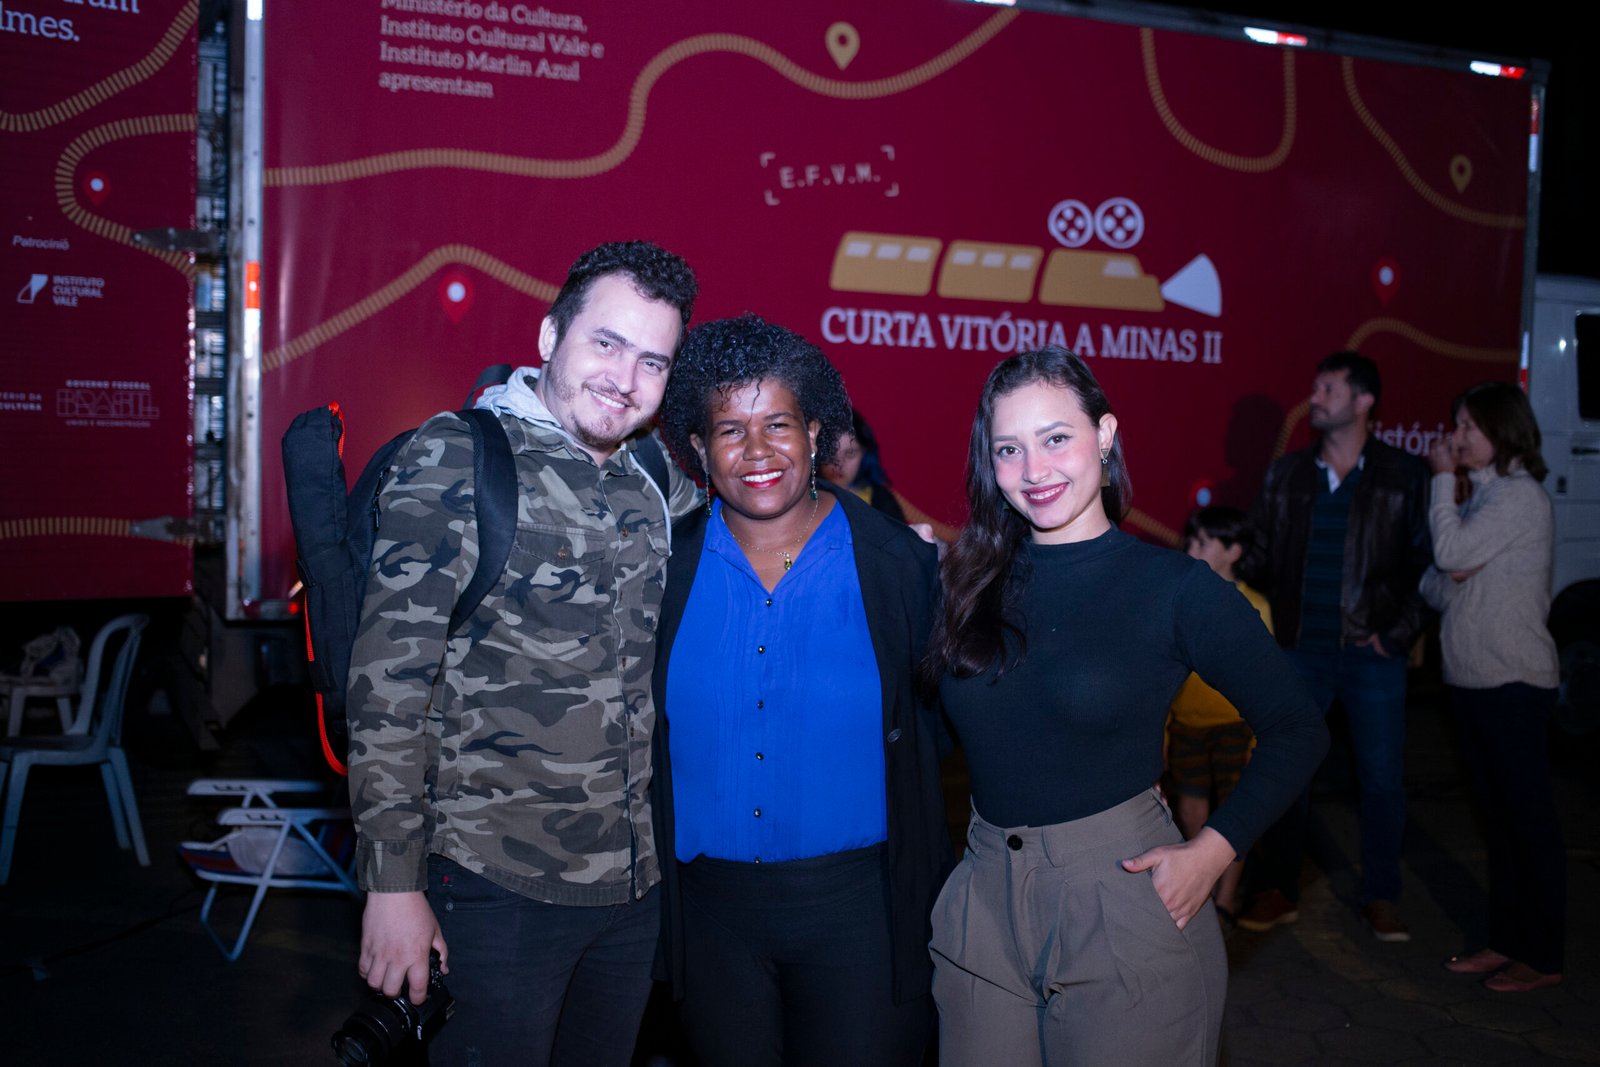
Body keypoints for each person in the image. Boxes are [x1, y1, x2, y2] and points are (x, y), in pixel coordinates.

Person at [346, 240, 701, 1067]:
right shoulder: (458, 455)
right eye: (606, 343)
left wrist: (891, 543)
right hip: (493, 885)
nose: (625, 377)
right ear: (549, 337)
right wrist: (392, 885)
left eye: (652, 361)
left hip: (632, 892)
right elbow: (388, 686)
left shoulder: (652, 473)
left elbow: (757, 524)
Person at [921, 347, 1326, 1066]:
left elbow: (1298, 727)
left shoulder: (1174, 588)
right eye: (1008, 449)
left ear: (1104, 435)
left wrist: (1213, 851)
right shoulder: (967, 581)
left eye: (1056, 438)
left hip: (1123, 898)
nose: (1034, 469)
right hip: (983, 897)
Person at [650, 314, 950, 1067]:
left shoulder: (897, 567)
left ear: (816, 433)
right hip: (709, 922)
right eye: (730, 430)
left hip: (861, 918)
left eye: (778, 424)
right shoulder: (660, 572)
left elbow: (948, 728)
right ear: (698, 448)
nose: (757, 451)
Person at [1237, 351, 1431, 942]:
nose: (1315, 398)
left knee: (1381, 779)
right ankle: (1277, 887)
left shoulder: (1404, 474)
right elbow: (1259, 555)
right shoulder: (1288, 474)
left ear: (1364, 401)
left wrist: (1395, 634)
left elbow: (1426, 563)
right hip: (1299, 651)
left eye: (1328, 389)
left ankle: (1381, 895)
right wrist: (1220, 561)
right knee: (1286, 772)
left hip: (1372, 655)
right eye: (1315, 387)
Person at [1420, 382, 1565, 993]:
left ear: (1502, 431)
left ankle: (1544, 956)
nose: (1455, 437)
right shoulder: (1483, 495)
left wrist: (1440, 484)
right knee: (1498, 825)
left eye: (1468, 426)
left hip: (1514, 683)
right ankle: (1506, 941)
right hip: (1474, 680)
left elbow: (1449, 551)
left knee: (1528, 824)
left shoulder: (1519, 497)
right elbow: (1434, 582)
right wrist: (1454, 569)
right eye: (1456, 424)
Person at [1167, 505, 1274, 922]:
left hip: (1234, 726)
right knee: (1191, 810)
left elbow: (1266, 679)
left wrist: (1258, 740)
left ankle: (1226, 900)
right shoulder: (1181, 597)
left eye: (1202, 543)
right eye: (1190, 541)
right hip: (1187, 725)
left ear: (1233, 551)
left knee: (1235, 814)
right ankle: (1204, 889)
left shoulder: (1255, 605)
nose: (1191, 550)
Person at [820, 407, 910, 523]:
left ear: (864, 454)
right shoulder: (805, 498)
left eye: (850, 453)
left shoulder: (880, 500)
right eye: (830, 453)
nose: (839, 463)